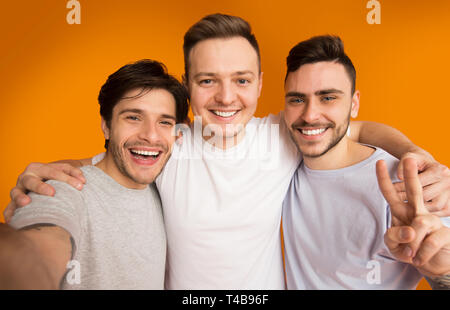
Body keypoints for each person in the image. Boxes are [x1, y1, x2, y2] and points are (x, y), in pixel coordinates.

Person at [4, 14, 450, 289]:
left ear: (259, 84)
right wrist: (56, 174)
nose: (225, 97)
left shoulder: (287, 132)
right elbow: (122, 156)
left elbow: (354, 126)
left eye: (240, 80)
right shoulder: (170, 143)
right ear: (189, 86)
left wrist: (415, 155)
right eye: (207, 81)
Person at [0, 59, 189, 289]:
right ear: (106, 126)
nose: (151, 135)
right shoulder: (65, 187)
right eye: (133, 117)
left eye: (164, 122)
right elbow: (41, 241)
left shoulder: (167, 186)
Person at [281, 35, 450, 289]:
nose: (310, 115)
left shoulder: (407, 184)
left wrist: (441, 270)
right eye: (297, 99)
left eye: (328, 98)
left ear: (354, 104)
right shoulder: (282, 162)